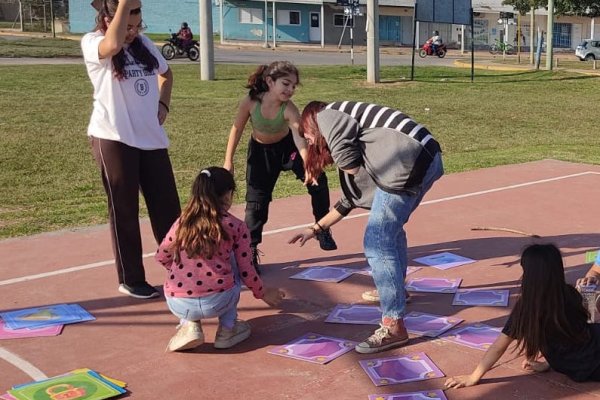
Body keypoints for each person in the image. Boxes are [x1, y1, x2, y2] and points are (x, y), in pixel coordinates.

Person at [289, 101, 444, 354]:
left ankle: (393, 326)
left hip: (408, 158)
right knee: (391, 231)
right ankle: (397, 292)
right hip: (425, 158)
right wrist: (315, 229)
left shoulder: (327, 115)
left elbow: (349, 164)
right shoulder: (370, 149)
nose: (306, 138)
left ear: (311, 121)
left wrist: (345, 165)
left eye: (305, 133)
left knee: (377, 242)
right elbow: (348, 201)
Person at [82, 0, 181, 299]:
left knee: (168, 209)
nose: (132, 32)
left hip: (150, 138)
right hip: (113, 137)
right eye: (127, 26)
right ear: (109, 19)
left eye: (137, 26)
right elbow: (112, 44)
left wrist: (163, 103)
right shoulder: (94, 42)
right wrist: (125, 3)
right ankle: (131, 278)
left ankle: (182, 269)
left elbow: (167, 74)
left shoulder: (145, 44)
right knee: (124, 210)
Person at [223, 61, 337, 272]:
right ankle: (250, 252)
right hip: (260, 153)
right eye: (286, 84)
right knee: (256, 202)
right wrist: (228, 161)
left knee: (318, 179)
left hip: (288, 149)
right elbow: (236, 129)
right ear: (269, 81)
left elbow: (299, 138)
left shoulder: (289, 109)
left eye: (294, 86)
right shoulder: (250, 102)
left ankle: (322, 227)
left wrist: (308, 165)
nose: (290, 90)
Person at [156, 167, 285, 352]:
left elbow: (162, 256)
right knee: (234, 262)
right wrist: (263, 292)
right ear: (228, 195)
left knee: (183, 263)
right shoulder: (236, 226)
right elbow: (246, 270)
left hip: (178, 302)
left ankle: (189, 325)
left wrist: (179, 270)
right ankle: (227, 329)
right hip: (219, 300)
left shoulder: (182, 222)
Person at [445, 244, 600, 389]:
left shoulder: (528, 308)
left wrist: (474, 377)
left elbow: (499, 347)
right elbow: (583, 328)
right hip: (589, 357)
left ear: (528, 276)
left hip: (578, 364)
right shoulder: (568, 293)